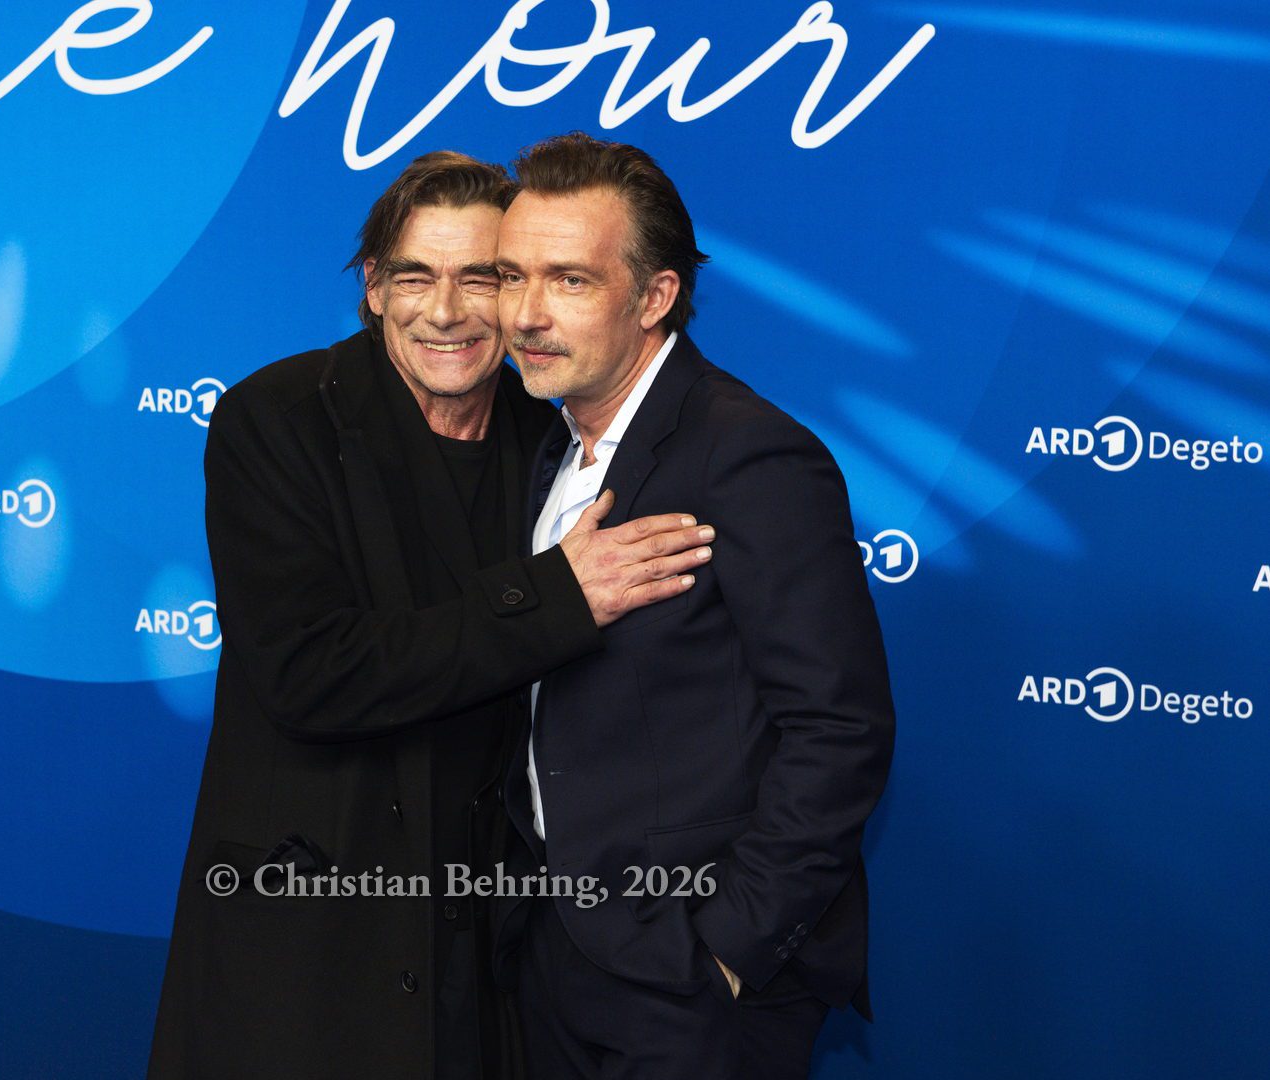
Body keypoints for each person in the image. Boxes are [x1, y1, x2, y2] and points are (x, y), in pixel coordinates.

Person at [146, 150, 716, 1080]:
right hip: (314, 937)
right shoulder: (278, 419)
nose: (445, 312)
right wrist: (556, 597)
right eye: (415, 277)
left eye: (482, 278)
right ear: (373, 289)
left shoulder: (554, 435)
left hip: (492, 944)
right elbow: (312, 673)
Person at [491, 132, 896, 1079]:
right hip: (556, 953)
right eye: (511, 277)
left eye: (570, 281)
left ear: (655, 296)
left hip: (687, 979)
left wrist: (727, 950)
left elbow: (840, 727)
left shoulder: (748, 454)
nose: (527, 315)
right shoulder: (553, 447)